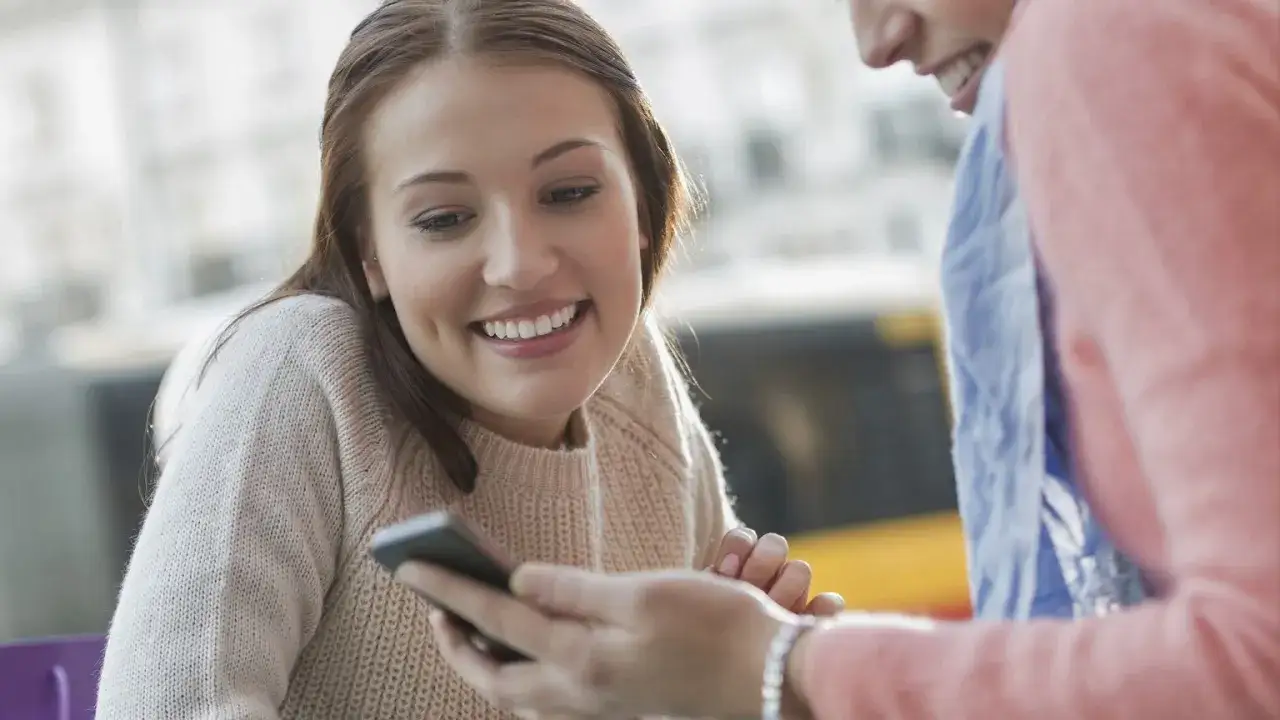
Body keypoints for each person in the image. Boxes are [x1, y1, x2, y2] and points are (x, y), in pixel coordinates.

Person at [397, 0, 1280, 717]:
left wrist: (787, 669)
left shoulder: (1117, 40)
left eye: (570, 192)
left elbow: (1257, 654)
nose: (874, 41)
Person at [94, 1, 840, 718]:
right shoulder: (299, 370)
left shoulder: (634, 380)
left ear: (644, 204)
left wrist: (743, 687)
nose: (518, 264)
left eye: (570, 191)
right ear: (370, 253)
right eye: (445, 219)